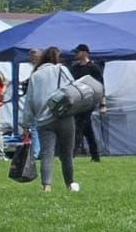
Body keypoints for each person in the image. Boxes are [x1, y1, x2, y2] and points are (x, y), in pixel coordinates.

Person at [23, 46, 77, 193]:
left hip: (44, 120)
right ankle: (70, 185)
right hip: (64, 116)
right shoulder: (62, 70)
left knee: (47, 153)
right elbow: (73, 89)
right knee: (67, 154)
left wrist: (26, 124)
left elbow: (29, 101)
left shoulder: (35, 75)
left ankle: (47, 186)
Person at [68, 43, 105, 162]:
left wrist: (103, 104)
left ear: (84, 53)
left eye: (77, 52)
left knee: (78, 126)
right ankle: (95, 156)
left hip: (89, 102)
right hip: (77, 101)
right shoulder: (74, 68)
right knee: (87, 129)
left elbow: (101, 87)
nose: (76, 54)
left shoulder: (93, 68)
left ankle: (72, 155)